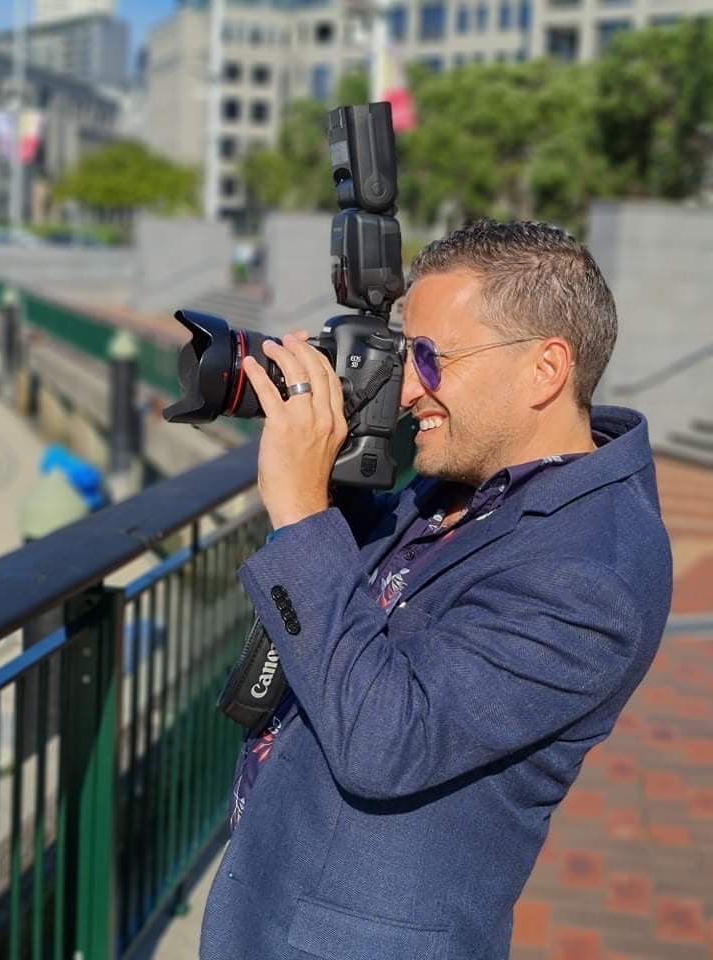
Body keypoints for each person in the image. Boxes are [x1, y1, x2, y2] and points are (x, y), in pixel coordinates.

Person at [200, 219, 672, 960]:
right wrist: (336, 470)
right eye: (401, 353)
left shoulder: (595, 571)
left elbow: (390, 740)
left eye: (429, 357)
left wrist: (297, 510)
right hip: (274, 900)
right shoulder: (470, 475)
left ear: (545, 370)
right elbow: (368, 604)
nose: (410, 386)